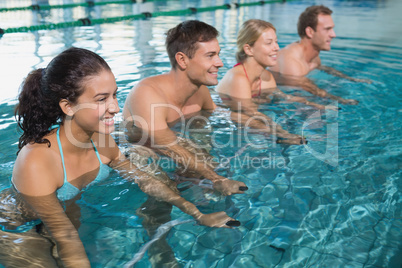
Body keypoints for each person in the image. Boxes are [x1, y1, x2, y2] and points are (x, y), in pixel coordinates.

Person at [0, 47, 241, 268]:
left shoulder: (100, 139)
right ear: (68, 106)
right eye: (101, 99)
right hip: (16, 228)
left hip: (65, 216)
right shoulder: (37, 161)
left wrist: (197, 213)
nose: (115, 107)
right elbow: (64, 235)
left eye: (115, 95)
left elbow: (145, 180)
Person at [123, 20, 248, 195]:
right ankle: (155, 218)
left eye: (218, 54)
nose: (219, 63)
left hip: (173, 139)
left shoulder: (200, 89)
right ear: (182, 60)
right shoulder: (147, 93)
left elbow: (221, 113)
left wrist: (274, 131)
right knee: (162, 189)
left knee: (207, 163)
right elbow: (166, 143)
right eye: (210, 55)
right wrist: (217, 179)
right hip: (138, 146)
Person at [216, 19, 324, 145]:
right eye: (269, 43)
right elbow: (251, 113)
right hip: (225, 126)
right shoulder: (238, 78)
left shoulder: (267, 76)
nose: (277, 48)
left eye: (276, 42)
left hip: (251, 120)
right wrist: (283, 134)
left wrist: (315, 105)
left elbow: (284, 98)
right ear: (249, 49)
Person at [270, 5, 369, 104]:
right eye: (327, 29)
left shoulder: (313, 55)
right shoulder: (292, 62)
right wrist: (341, 100)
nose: (333, 35)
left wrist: (350, 79)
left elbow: (322, 68)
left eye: (332, 29)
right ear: (310, 32)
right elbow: (302, 93)